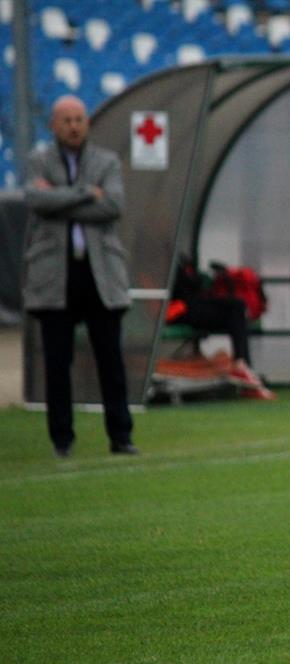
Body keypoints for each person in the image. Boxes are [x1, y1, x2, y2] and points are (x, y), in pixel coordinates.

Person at [22, 95, 137, 457]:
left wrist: (60, 200)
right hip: (55, 276)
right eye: (67, 120)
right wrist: (87, 193)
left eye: (79, 119)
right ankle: (62, 439)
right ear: (53, 126)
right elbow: (36, 201)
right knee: (58, 363)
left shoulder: (107, 161)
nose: (74, 126)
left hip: (98, 274)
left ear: (87, 123)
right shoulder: (38, 161)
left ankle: (121, 435)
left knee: (110, 360)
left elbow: (113, 205)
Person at [165, 258, 275, 400]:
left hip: (190, 306)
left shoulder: (178, 259)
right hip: (178, 310)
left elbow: (193, 288)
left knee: (238, 307)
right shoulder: (160, 261)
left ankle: (242, 366)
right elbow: (180, 291)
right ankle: (242, 367)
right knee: (236, 308)